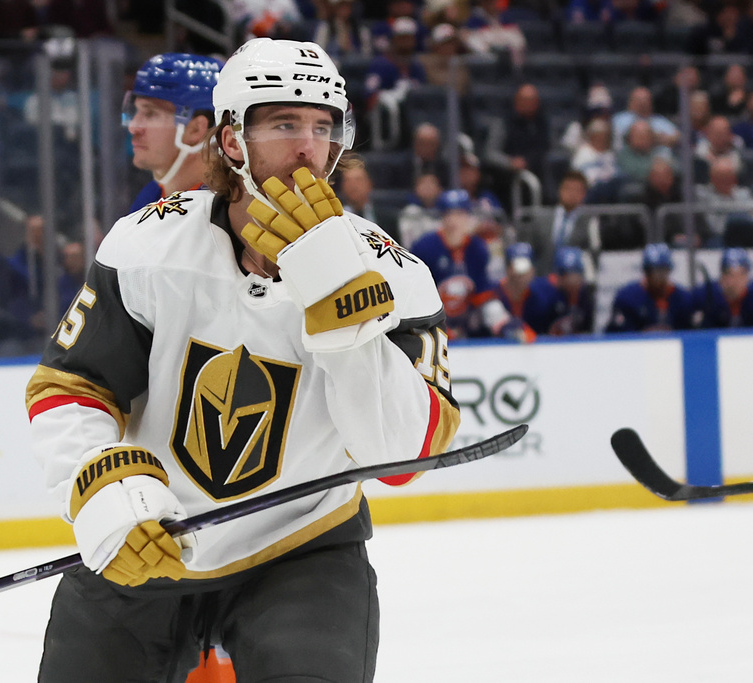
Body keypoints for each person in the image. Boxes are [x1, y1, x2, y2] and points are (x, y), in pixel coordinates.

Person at [24, 37, 461, 683]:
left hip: (303, 548)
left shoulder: (395, 275)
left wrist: (350, 320)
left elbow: (402, 458)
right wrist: (108, 492)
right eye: (284, 124)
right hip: (153, 536)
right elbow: (71, 389)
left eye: (322, 126)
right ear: (231, 140)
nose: (308, 147)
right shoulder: (148, 243)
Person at [411, 189, 521, 340]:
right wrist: (437, 327)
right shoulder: (424, 247)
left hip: (466, 322)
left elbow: (483, 294)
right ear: (441, 218)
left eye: (459, 214)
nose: (453, 221)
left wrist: (502, 323)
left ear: (469, 218)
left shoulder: (478, 249)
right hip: (431, 326)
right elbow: (415, 296)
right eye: (448, 214)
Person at [125, 52, 223, 214]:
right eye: (135, 111)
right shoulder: (150, 196)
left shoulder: (227, 212)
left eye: (150, 114)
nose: (133, 127)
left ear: (196, 129)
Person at [605, 242, 693, 332]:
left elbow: (692, 334)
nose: (659, 276)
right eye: (653, 271)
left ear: (669, 270)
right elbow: (618, 336)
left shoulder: (682, 299)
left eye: (662, 270)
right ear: (646, 272)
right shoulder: (627, 298)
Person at [691, 247, 751, 328]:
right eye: (731, 275)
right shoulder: (704, 296)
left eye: (741, 275)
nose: (737, 281)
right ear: (722, 276)